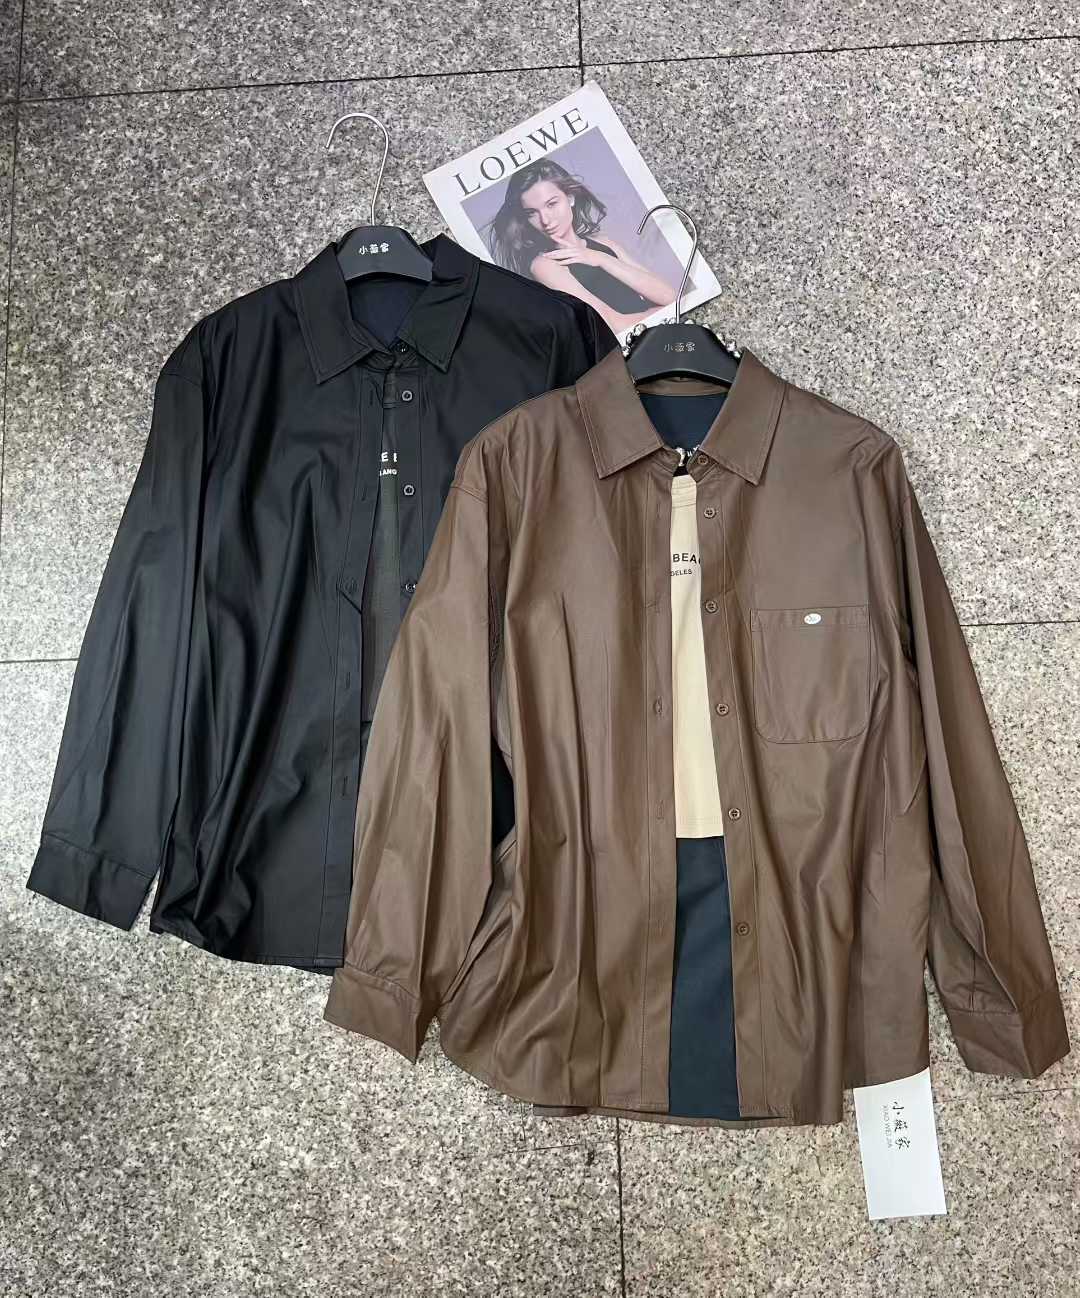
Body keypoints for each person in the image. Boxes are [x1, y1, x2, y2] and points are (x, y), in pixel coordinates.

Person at [487, 159, 677, 335]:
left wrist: (601, 259)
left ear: (570, 198)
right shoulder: (545, 265)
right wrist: (662, 314)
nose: (545, 220)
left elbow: (669, 296)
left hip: (658, 334)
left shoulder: (603, 243)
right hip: (636, 345)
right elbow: (612, 325)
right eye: (531, 213)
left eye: (551, 204)